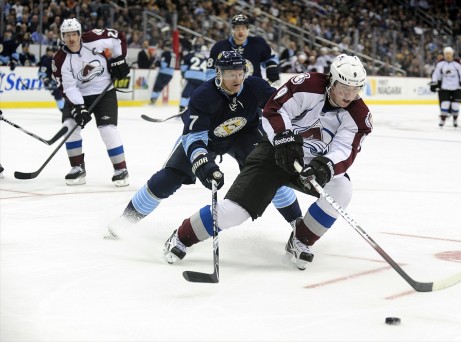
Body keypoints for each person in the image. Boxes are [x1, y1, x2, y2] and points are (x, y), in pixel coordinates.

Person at [163, 54, 372, 270]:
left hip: (310, 164)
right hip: (273, 154)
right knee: (234, 213)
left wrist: (325, 166)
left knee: (342, 189)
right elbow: (275, 109)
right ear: (332, 81)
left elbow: (345, 149)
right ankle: (181, 237)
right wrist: (283, 138)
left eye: (355, 89)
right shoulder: (306, 85)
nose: (349, 95)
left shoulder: (359, 116)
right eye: (344, 88)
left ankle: (300, 240)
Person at [106, 51, 301, 239]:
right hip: (206, 139)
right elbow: (194, 137)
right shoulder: (203, 95)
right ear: (219, 74)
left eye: (241, 73)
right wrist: (203, 163)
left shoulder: (255, 86)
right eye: (232, 74)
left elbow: (282, 107)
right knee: (170, 178)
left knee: (269, 172)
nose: (238, 79)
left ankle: (298, 225)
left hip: (244, 134)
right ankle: (126, 220)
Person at [52, 18, 131, 186]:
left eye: (74, 34)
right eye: (67, 35)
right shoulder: (60, 60)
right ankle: (77, 168)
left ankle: (120, 169)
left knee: (107, 129)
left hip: (104, 92)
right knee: (69, 126)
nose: (71, 39)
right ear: (62, 37)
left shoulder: (93, 39)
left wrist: (119, 59)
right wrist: (79, 107)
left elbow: (118, 37)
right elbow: (69, 88)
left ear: (80, 34)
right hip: (79, 95)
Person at [206, 14, 280, 85]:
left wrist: (271, 64)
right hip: (229, 91)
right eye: (237, 28)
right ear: (232, 30)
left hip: (255, 88)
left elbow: (271, 58)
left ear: (248, 30)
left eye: (243, 28)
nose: (241, 31)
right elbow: (211, 71)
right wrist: (214, 88)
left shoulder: (258, 43)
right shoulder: (219, 46)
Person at [429, 46, 461, 128]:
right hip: (445, 87)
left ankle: (455, 120)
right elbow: (436, 74)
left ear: (452, 54)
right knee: (444, 104)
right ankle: (442, 121)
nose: (448, 55)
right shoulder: (440, 64)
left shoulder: (457, 63)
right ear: (444, 54)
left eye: (449, 53)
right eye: (446, 53)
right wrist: (434, 83)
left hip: (456, 88)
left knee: (455, 106)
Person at [179, 44, 209, 111]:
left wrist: (183, 74)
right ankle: (194, 110)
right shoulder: (205, 57)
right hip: (202, 78)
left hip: (191, 76)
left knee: (185, 94)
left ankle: (182, 109)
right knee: (197, 95)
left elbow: (183, 65)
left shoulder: (189, 55)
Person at [38, 46, 64, 113]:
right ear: (53, 52)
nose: (57, 54)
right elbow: (42, 72)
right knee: (57, 94)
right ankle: (63, 111)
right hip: (51, 82)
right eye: (55, 52)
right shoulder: (47, 61)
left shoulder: (64, 60)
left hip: (63, 82)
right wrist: (45, 80)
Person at [149, 40, 176, 104]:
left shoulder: (165, 53)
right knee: (160, 87)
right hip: (170, 74)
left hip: (163, 73)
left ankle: (153, 100)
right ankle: (154, 99)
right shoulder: (174, 54)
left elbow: (163, 64)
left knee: (156, 87)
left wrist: (155, 65)